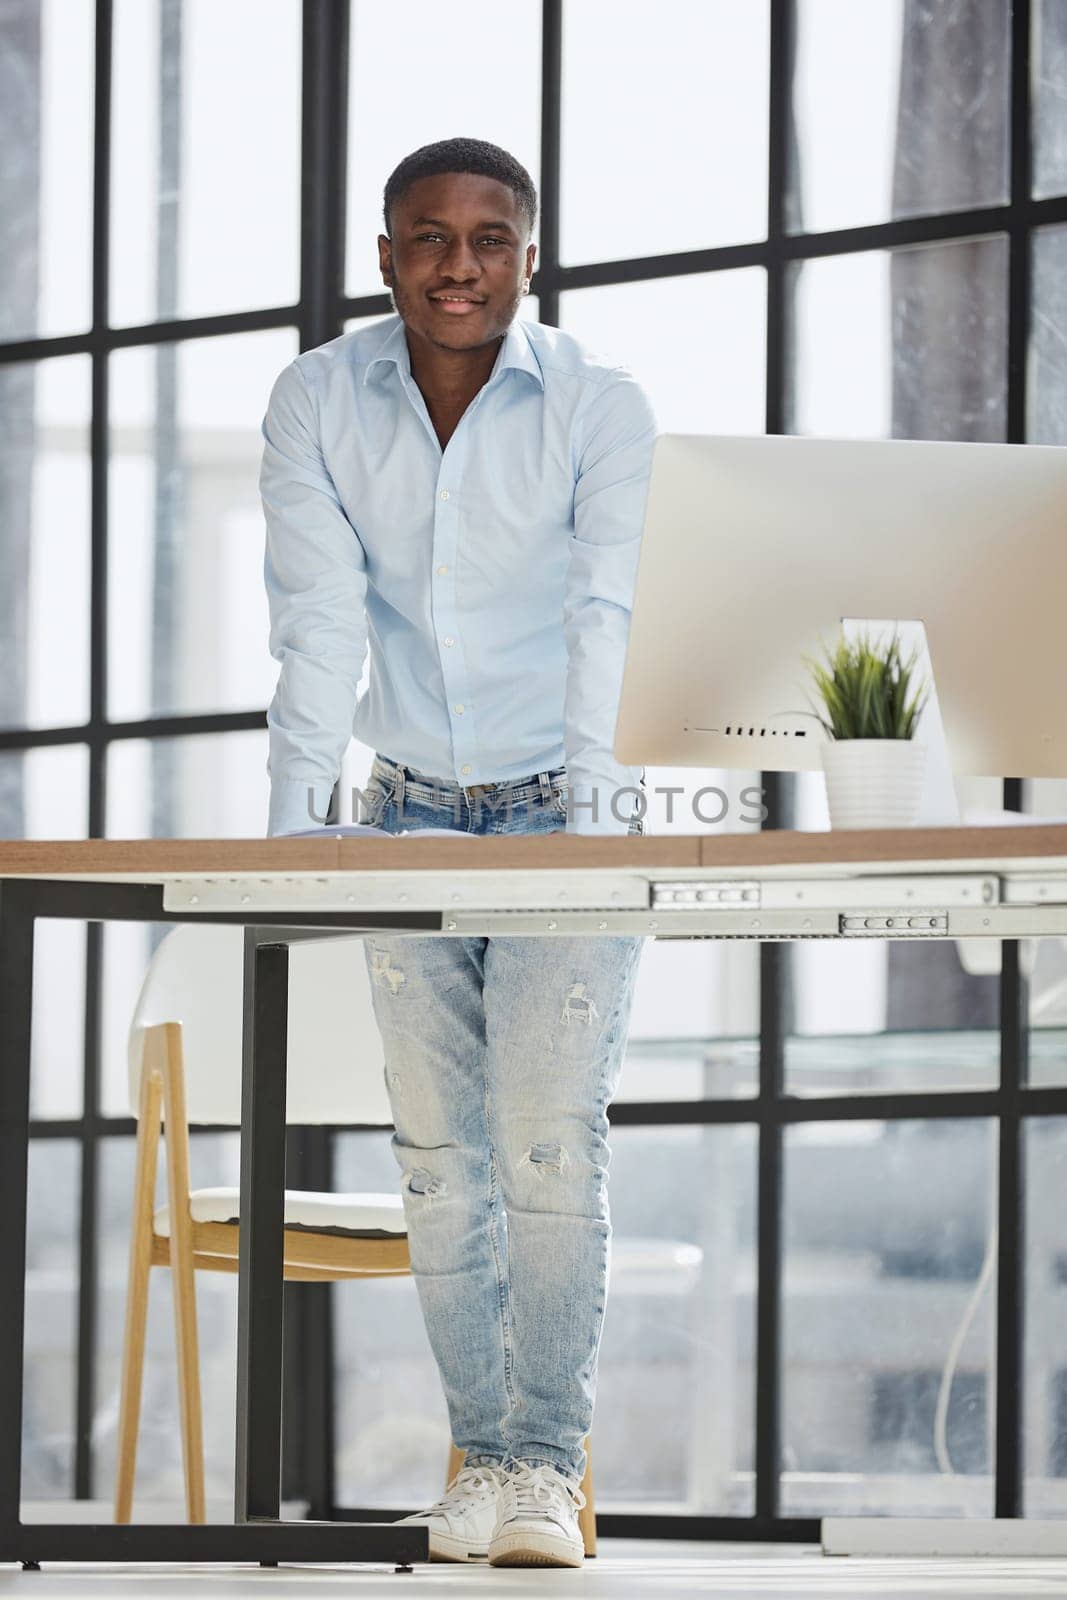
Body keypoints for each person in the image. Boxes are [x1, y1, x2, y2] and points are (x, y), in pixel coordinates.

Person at [261, 136, 655, 1568]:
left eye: (490, 239)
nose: (458, 266)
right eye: (428, 238)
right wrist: (300, 831)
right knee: (439, 1160)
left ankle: (549, 1464)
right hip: (408, 806)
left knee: (550, 1142)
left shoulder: (600, 409)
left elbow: (605, 615)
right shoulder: (317, 399)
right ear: (385, 256)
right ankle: (482, 1457)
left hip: (566, 808)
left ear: (529, 260)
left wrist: (599, 833)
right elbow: (313, 619)